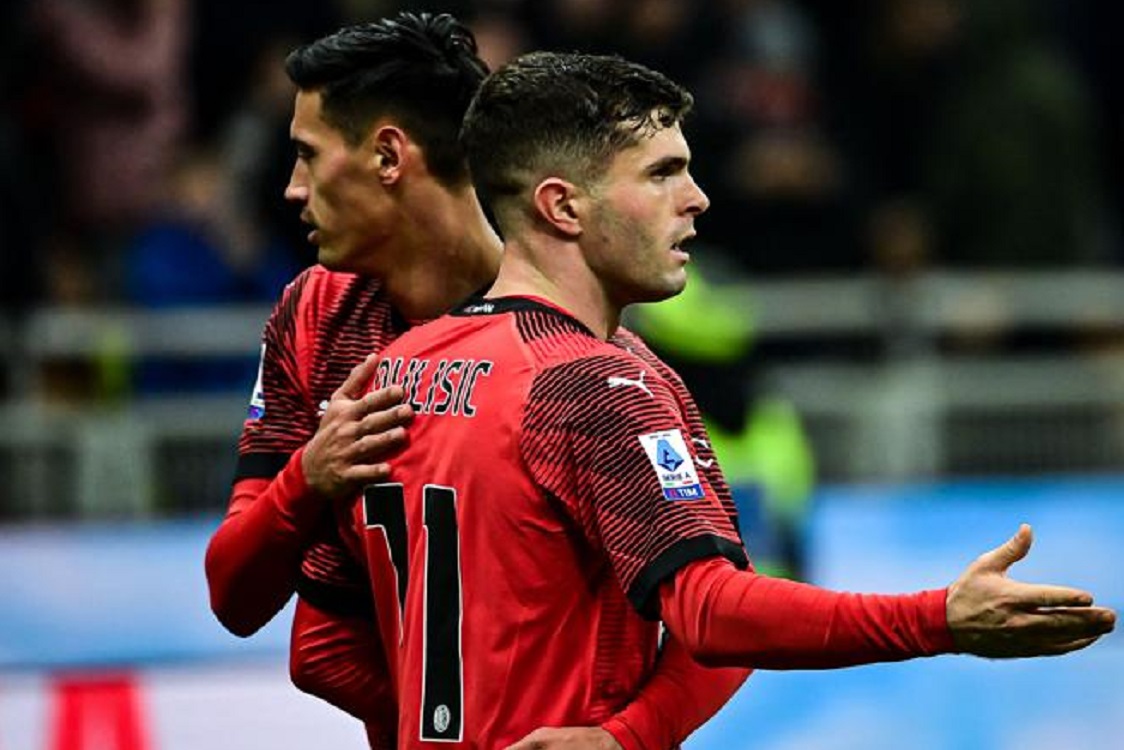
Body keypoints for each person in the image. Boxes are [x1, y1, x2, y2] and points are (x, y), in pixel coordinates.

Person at [330, 50, 1116, 748]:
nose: (698, 197)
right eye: (662, 173)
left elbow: (322, 650)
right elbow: (713, 613)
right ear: (562, 207)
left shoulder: (395, 369)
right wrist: (937, 618)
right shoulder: (599, 383)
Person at [203, 13, 749, 750]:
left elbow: (721, 615)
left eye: (306, 155)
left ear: (388, 156)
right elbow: (261, 612)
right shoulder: (315, 319)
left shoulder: (595, 365)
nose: (293, 189)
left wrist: (626, 736)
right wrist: (308, 478)